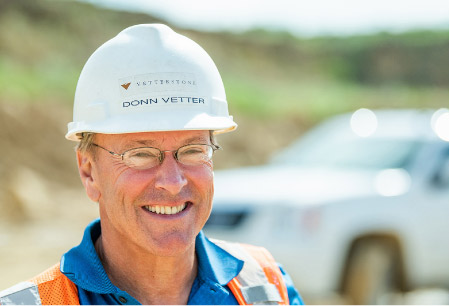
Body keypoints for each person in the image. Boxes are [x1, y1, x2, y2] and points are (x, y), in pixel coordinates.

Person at [0, 24, 304, 305]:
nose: (172, 182)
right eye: (141, 155)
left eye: (193, 151)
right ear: (89, 172)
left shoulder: (265, 284)